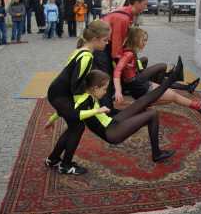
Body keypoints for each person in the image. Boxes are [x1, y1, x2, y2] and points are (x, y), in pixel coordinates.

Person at [45, 67, 184, 169]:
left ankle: (172, 78)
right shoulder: (84, 100)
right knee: (152, 114)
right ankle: (157, 154)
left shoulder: (83, 96)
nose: (105, 92)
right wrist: (98, 110)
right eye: (104, 89)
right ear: (94, 88)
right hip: (111, 132)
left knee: (142, 102)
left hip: (111, 122)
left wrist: (50, 120)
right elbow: (73, 113)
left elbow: (63, 111)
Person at [44, 20, 111, 175]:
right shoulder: (87, 56)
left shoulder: (81, 50)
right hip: (60, 95)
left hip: (58, 93)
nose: (107, 43)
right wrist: (88, 106)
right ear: (95, 39)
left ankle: (53, 159)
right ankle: (65, 165)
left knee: (75, 125)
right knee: (78, 126)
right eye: (105, 40)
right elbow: (76, 86)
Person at [114, 27, 201, 114]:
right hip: (139, 87)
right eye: (143, 40)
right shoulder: (129, 54)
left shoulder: (128, 51)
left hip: (140, 85)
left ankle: (143, 104)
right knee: (173, 96)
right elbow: (117, 71)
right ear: (135, 40)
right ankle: (198, 105)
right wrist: (118, 91)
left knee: (170, 97)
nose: (145, 43)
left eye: (146, 40)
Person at [93, 0, 148, 111]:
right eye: (144, 4)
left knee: (108, 77)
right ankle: (107, 111)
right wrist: (124, 67)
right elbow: (116, 49)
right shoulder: (123, 18)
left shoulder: (127, 15)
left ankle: (107, 106)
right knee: (105, 79)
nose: (146, 7)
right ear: (136, 3)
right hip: (100, 47)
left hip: (104, 45)